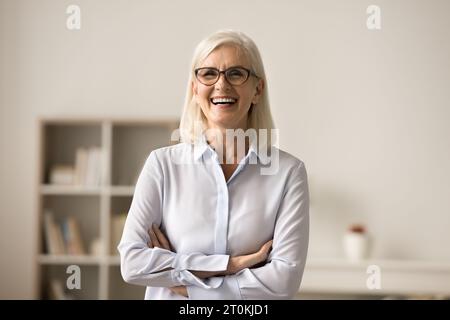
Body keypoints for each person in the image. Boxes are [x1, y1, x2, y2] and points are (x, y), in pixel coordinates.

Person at [118, 30, 309, 300]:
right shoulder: (162, 165)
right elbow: (133, 264)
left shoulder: (289, 173)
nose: (221, 85)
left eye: (236, 73)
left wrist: (182, 281)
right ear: (195, 89)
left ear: (257, 89)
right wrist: (231, 266)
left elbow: (284, 280)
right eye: (208, 74)